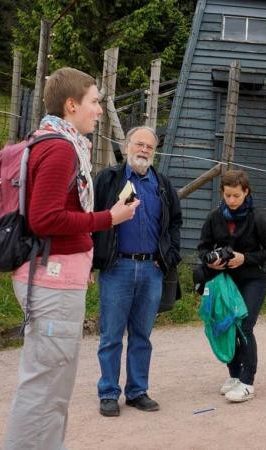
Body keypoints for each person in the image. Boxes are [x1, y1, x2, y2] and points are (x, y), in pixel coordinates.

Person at [3, 67, 139, 449]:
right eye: (94, 102)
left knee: (53, 386)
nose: (99, 111)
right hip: (52, 279)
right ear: (71, 105)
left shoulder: (51, 142)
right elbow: (44, 218)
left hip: (53, 276)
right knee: (44, 388)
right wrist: (109, 218)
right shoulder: (61, 148)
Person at [91, 126, 183, 417]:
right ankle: (108, 393)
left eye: (149, 147)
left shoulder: (163, 185)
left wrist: (167, 257)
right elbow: (91, 218)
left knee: (142, 335)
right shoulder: (108, 180)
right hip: (116, 266)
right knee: (111, 335)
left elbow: (175, 224)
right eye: (139, 144)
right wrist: (93, 260)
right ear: (126, 146)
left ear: (155, 152)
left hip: (151, 269)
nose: (144, 150)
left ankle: (137, 391)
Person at [197, 170, 266, 403]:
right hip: (225, 281)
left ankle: (247, 381)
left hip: (253, 279)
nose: (231, 201)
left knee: (244, 325)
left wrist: (246, 258)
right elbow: (202, 248)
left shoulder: (258, 217)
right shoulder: (215, 216)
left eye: (236, 196)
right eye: (227, 196)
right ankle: (234, 376)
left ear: (246, 192)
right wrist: (211, 259)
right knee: (227, 326)